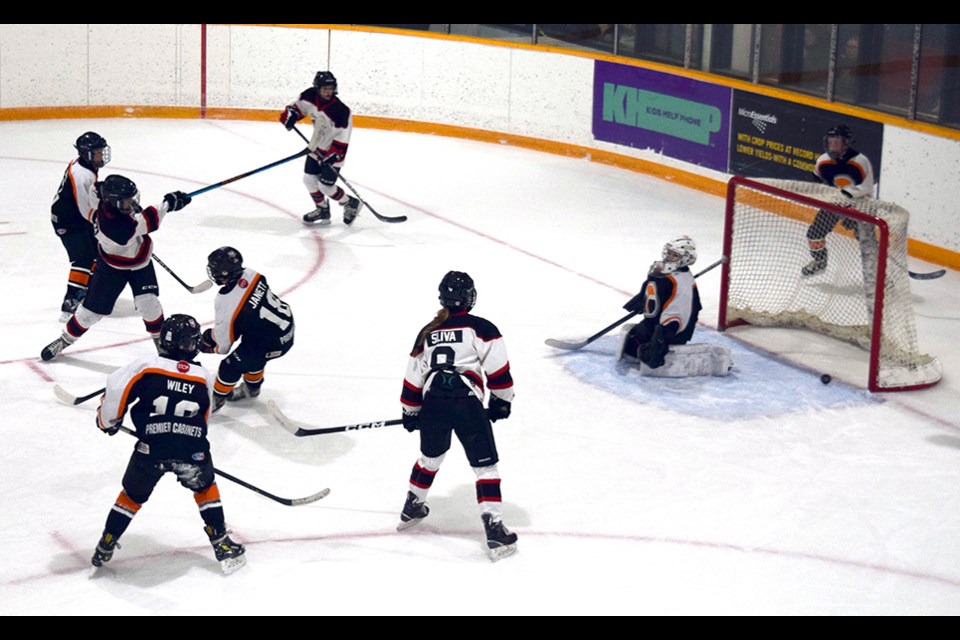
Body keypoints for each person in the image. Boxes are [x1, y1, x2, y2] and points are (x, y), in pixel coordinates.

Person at [90, 314, 247, 575]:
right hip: (191, 448)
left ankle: (107, 541)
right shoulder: (204, 376)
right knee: (205, 488)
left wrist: (108, 421)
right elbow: (204, 418)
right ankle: (221, 544)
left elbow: (115, 392)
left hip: (151, 448)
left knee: (131, 495)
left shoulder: (146, 366)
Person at [397, 271, 518, 561]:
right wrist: (502, 401)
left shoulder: (427, 331)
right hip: (466, 404)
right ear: (469, 298)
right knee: (485, 467)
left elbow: (414, 375)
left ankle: (412, 505)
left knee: (430, 458)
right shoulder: (482, 327)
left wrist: (411, 411)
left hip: (434, 403)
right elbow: (498, 370)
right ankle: (494, 528)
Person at [40, 175, 192, 361]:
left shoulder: (101, 198)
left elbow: (96, 188)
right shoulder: (118, 228)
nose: (131, 202)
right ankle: (64, 340)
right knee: (90, 313)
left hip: (140, 263)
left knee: (149, 304)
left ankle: (161, 347)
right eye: (126, 201)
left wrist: (111, 189)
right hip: (112, 267)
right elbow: (150, 219)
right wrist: (170, 202)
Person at [199, 246, 295, 412]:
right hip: (283, 326)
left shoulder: (227, 302)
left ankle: (216, 399)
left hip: (274, 342)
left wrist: (207, 341)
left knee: (231, 365)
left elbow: (223, 346)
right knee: (250, 354)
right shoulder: (252, 274)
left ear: (223, 273)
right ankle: (252, 389)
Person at [280, 70, 362, 226]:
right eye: (324, 88)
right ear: (317, 88)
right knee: (309, 180)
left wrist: (334, 154)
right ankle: (322, 209)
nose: (328, 91)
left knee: (325, 186)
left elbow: (344, 136)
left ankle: (349, 202)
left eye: (330, 88)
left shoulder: (341, 111)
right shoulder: (309, 96)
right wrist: (291, 115)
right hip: (317, 145)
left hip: (335, 151)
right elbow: (297, 107)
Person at [50, 131, 110, 322]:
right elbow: (86, 210)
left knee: (96, 252)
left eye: (101, 151)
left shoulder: (84, 164)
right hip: (67, 221)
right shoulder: (81, 174)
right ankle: (70, 303)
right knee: (83, 258)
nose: (101, 155)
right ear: (86, 153)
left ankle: (87, 290)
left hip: (74, 216)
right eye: (97, 152)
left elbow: (89, 197)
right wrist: (106, 222)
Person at [801, 125, 876, 276]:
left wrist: (848, 198)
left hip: (858, 207)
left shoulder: (860, 161)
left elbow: (867, 187)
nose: (832, 146)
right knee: (814, 234)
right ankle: (820, 262)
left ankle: (881, 275)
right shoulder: (823, 161)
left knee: (867, 244)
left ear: (846, 143)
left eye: (837, 142)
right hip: (834, 204)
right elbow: (816, 179)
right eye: (830, 142)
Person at [619, 236, 703, 369]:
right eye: (669, 252)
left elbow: (683, 311)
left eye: (675, 255)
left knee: (645, 351)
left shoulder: (682, 282)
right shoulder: (661, 269)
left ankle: (666, 347)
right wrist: (643, 299)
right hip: (653, 322)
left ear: (686, 258)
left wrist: (663, 335)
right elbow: (653, 287)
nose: (669, 257)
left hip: (668, 330)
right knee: (631, 343)